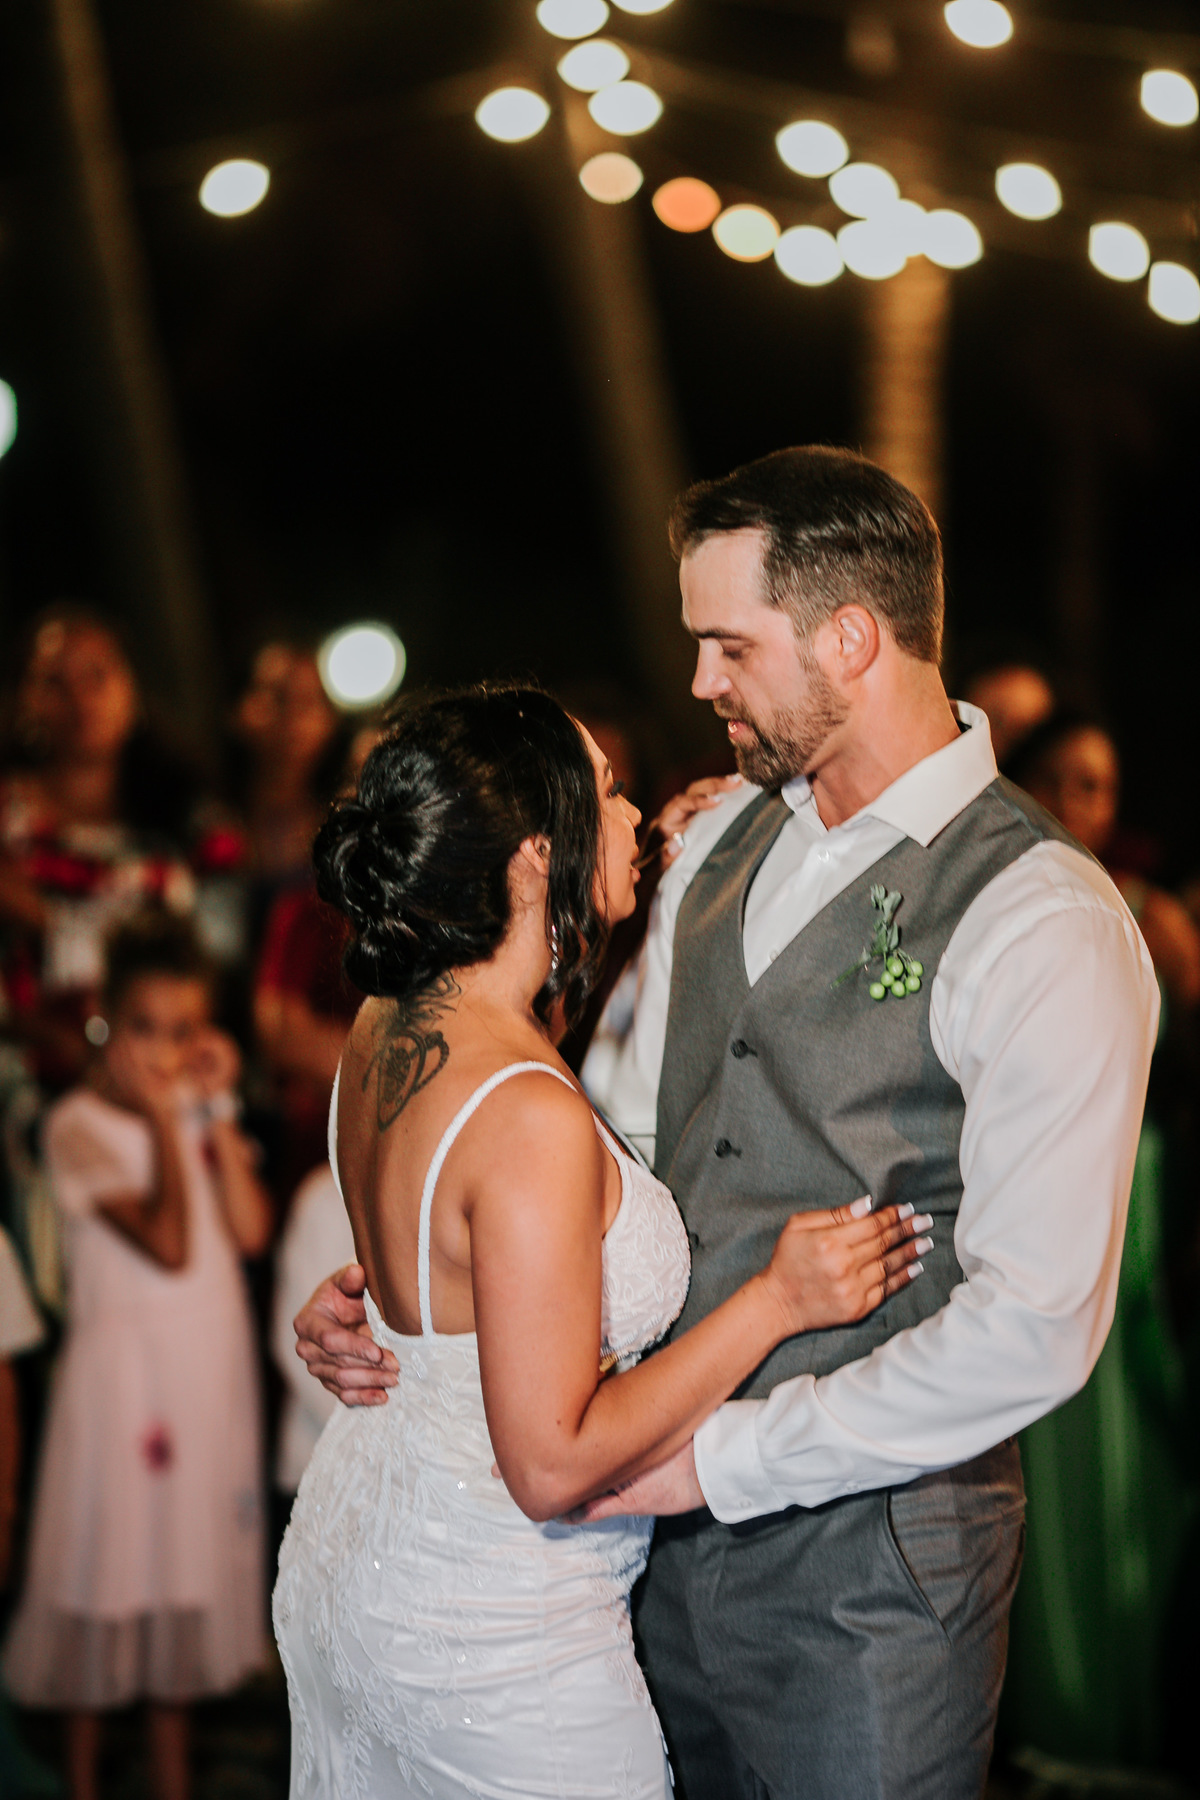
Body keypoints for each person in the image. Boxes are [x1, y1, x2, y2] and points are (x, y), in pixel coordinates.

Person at [302, 449, 1159, 1800]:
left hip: (871, 1587)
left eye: (727, 646)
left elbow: (1037, 1322)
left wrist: (730, 1460)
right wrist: (439, 1292)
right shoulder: (705, 849)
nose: (698, 683)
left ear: (852, 639)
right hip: (626, 1560)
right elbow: (614, 1161)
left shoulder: (1042, 917)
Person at [272, 684, 927, 1800]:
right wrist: (775, 1300)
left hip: (362, 1556)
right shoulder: (525, 1115)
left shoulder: (394, 1021)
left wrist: (645, 870)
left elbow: (470, 1220)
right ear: (535, 857)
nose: (634, 814)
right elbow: (551, 1463)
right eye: (611, 795)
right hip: (491, 1633)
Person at [3, 911, 272, 1800]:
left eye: (185, 1030)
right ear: (110, 1023)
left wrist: (218, 1112)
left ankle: (173, 1778)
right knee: (108, 1573)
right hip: (123, 1388)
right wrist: (164, 1121)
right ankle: (80, 1779)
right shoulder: (77, 1125)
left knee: (177, 1577)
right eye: (147, 1029)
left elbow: (246, 1228)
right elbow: (163, 1241)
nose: (165, 1052)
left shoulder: (192, 1114)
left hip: (200, 1369)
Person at [1001, 712, 1200, 1769]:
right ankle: (1057, 1710)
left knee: (1141, 1450)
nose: (1089, 806)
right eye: (1068, 782)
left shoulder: (1145, 915)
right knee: (1058, 1453)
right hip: (1043, 1202)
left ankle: (1133, 1706)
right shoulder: (998, 909)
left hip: (1144, 1197)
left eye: (1104, 786)